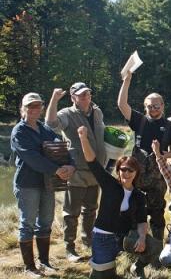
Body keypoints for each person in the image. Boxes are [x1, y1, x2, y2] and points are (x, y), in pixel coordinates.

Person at [77, 126, 160, 279]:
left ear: (136, 173)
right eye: (123, 169)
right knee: (104, 276)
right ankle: (99, 264)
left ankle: (137, 267)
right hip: (103, 237)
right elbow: (92, 162)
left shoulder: (139, 195)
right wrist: (83, 138)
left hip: (125, 237)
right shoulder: (109, 184)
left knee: (155, 246)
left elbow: (142, 221)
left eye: (130, 170)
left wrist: (142, 237)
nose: (126, 173)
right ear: (118, 170)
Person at [11, 92, 75, 278]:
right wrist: (57, 170)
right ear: (23, 109)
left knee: (45, 222)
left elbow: (62, 147)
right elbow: (33, 158)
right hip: (27, 184)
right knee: (27, 224)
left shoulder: (45, 129)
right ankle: (30, 268)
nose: (34, 109)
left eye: (37, 106)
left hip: (48, 184)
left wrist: (70, 164)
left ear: (42, 108)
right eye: (30, 106)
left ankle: (45, 262)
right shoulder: (19, 132)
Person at [118, 70, 171, 245]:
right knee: (133, 211)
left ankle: (157, 246)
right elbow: (122, 104)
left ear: (163, 105)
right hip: (135, 178)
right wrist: (127, 80)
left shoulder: (169, 126)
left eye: (156, 105)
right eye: (150, 106)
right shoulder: (139, 120)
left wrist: (163, 154)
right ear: (145, 107)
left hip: (157, 180)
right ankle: (131, 243)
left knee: (158, 212)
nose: (153, 109)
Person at [45, 83, 106, 261]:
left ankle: (88, 241)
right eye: (80, 95)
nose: (85, 97)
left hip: (96, 170)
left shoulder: (98, 112)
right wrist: (54, 99)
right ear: (73, 98)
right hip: (76, 171)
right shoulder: (66, 114)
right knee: (71, 213)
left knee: (91, 209)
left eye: (87, 94)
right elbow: (51, 124)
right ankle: (69, 248)